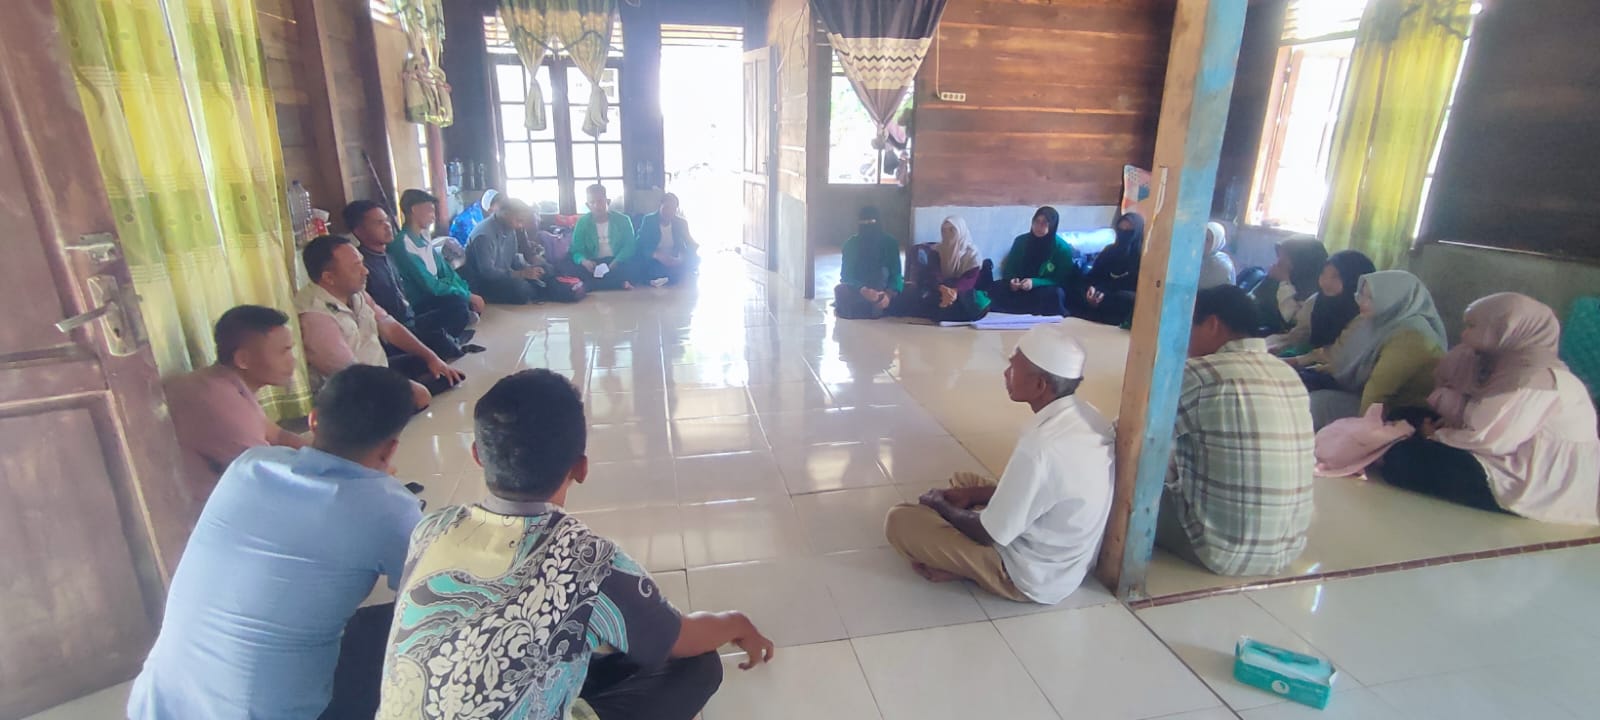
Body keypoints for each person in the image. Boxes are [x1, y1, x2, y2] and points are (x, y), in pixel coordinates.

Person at [378, 369, 775, 720]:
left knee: (585, 640)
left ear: (477, 456)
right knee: (697, 666)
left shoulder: (431, 527)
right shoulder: (590, 562)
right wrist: (736, 621)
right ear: (581, 468)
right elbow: (679, 640)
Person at [128, 365, 425, 720]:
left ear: (313, 420)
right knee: (427, 626)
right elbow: (428, 596)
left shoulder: (250, 465)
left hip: (156, 704)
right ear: (391, 448)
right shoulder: (388, 508)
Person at [883, 324, 1114, 604]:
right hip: (1066, 560)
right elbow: (1048, 493)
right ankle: (968, 541)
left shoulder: (1040, 447)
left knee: (900, 521)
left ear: (1040, 385)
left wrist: (940, 506)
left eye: (1013, 367)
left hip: (1029, 575)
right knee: (966, 482)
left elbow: (988, 534)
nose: (1005, 373)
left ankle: (973, 571)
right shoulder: (1088, 415)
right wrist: (973, 496)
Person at [1378, 293, 1600, 524]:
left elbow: (1491, 440)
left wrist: (1435, 435)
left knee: (1401, 459)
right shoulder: (1501, 363)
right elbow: (1477, 413)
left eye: (1473, 326)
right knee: (1406, 415)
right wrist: (1445, 427)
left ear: (1503, 330)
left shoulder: (1534, 378)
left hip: (1534, 479)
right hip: (1503, 451)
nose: (1463, 334)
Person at [1159, 285, 1316, 576]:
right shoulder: (1287, 373)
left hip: (1219, 551)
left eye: (1188, 326)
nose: (1184, 338)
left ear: (1212, 324)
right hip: (1287, 550)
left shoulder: (1200, 373)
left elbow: (1131, 436)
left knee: (1118, 472)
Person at [296, 235, 464, 410]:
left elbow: (389, 326)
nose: (365, 271)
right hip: (353, 390)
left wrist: (431, 358)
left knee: (435, 363)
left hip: (378, 369)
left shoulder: (355, 292)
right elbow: (351, 373)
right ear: (329, 277)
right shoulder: (314, 316)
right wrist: (403, 386)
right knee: (421, 396)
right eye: (356, 266)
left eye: (362, 263)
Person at [164, 305, 307, 502]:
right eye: (283, 352)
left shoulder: (225, 383)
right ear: (243, 360)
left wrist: (332, 456)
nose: (292, 362)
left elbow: (277, 435)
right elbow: (269, 475)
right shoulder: (214, 397)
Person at [1303, 271, 1447, 429]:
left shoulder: (1412, 337)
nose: (1361, 302)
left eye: (1370, 298)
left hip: (1401, 413)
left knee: (1315, 406)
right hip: (1370, 397)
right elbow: (1347, 361)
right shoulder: (1380, 321)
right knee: (1306, 396)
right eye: (1361, 295)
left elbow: (1377, 392)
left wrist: (1360, 433)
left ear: (1393, 300)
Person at [347, 200, 474, 361]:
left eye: (387, 220)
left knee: (457, 303)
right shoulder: (363, 267)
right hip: (394, 328)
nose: (387, 226)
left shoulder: (387, 255)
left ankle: (444, 340)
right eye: (379, 223)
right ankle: (444, 342)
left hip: (411, 316)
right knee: (438, 347)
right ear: (359, 231)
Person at [391, 189, 487, 326]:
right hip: (420, 300)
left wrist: (466, 292)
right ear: (414, 210)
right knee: (457, 303)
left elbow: (445, 270)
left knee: (468, 274)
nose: (433, 216)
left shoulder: (423, 238)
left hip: (436, 291)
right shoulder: (403, 244)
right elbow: (429, 285)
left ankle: (466, 311)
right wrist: (466, 296)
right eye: (430, 210)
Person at [1268, 250, 1376, 357]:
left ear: (1354, 280)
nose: (1326, 282)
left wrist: (1297, 360)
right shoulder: (1316, 301)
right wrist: (1279, 346)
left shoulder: (1364, 313)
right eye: (1323, 274)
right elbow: (1300, 334)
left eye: (1336, 276)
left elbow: (1337, 355)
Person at [894, 215, 990, 323]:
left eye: (952, 230)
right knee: (916, 296)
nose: (947, 234)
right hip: (940, 289)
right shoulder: (936, 251)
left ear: (961, 231)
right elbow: (934, 274)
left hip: (961, 292)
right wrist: (943, 289)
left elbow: (969, 279)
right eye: (944, 231)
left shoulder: (972, 254)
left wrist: (954, 291)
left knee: (972, 300)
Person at [988, 205, 1080, 317]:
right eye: (1036, 222)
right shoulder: (1021, 241)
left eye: (1044, 223)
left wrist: (1035, 283)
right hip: (1019, 288)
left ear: (1052, 226)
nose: (1039, 227)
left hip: (1041, 290)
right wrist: (1013, 281)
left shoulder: (1061, 248)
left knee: (1056, 294)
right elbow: (1009, 268)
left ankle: (1022, 308)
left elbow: (1061, 279)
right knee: (995, 287)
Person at [463, 197, 557, 304]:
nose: (521, 225)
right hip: (484, 283)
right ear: (505, 214)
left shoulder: (509, 228)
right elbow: (488, 273)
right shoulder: (484, 236)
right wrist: (521, 274)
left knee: (547, 269)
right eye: (519, 221)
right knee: (521, 289)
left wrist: (528, 268)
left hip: (505, 275)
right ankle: (543, 291)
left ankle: (543, 290)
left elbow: (513, 259)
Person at [1073, 212, 1145, 326]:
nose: (1123, 234)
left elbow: (1133, 283)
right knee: (1075, 287)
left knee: (1127, 299)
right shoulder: (1110, 251)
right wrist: (1092, 288)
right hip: (1101, 291)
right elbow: (1093, 276)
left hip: (1118, 294)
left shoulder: (1142, 257)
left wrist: (1105, 291)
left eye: (1129, 230)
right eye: (1121, 229)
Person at [833, 205, 904, 319]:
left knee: (911, 291)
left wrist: (888, 295)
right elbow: (846, 276)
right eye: (864, 223)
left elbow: (896, 274)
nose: (868, 227)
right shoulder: (851, 244)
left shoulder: (890, 243)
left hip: (885, 289)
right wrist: (863, 289)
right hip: (859, 291)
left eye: (871, 222)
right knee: (841, 291)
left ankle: (877, 307)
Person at [1251, 236, 1327, 335]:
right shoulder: (1275, 279)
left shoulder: (1318, 293)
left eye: (1284, 259)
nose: (1278, 263)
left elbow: (1293, 320)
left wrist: (1285, 282)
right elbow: (1252, 301)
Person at [571, 183, 640, 290]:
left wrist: (616, 261)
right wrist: (584, 261)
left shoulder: (623, 220)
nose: (596, 206)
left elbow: (629, 246)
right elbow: (576, 251)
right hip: (593, 263)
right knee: (569, 267)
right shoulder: (582, 223)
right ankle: (619, 283)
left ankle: (592, 285)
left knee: (636, 265)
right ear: (587, 205)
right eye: (592, 202)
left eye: (600, 201)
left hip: (616, 261)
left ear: (607, 201)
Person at [636, 192, 700, 286]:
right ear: (660, 206)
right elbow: (642, 245)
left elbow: (690, 243)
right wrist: (658, 255)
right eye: (666, 208)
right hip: (656, 257)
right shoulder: (649, 220)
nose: (669, 212)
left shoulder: (681, 223)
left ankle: (668, 276)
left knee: (695, 259)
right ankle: (669, 276)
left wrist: (681, 257)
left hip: (674, 256)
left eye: (673, 209)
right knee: (649, 266)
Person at [1198, 221, 1237, 289]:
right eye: (1201, 237)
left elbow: (1198, 288)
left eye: (1207, 239)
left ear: (1216, 242)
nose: (1202, 242)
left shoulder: (1220, 264)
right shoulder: (1201, 257)